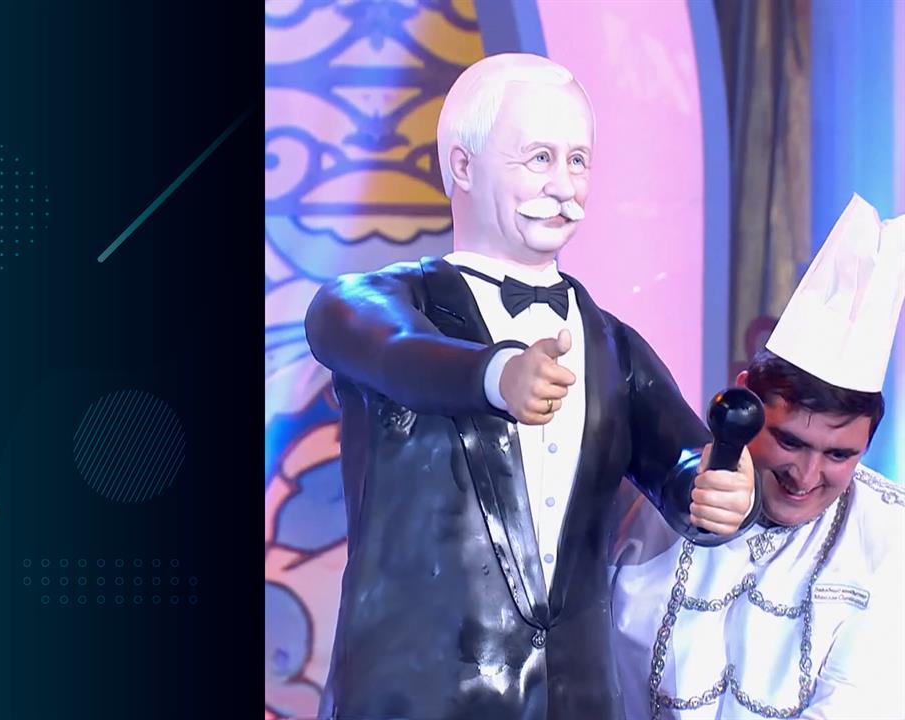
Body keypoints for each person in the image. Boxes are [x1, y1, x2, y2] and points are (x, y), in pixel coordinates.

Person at [304, 53, 758, 720]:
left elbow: (687, 467)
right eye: (539, 158)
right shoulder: (371, 303)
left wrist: (723, 490)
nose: (565, 186)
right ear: (463, 166)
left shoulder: (612, 344)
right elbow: (396, 352)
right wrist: (493, 374)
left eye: (578, 160)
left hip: (577, 698)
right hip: (414, 699)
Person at [610, 195, 905, 719]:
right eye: (790, 441)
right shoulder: (651, 498)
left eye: (839, 454)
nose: (805, 476)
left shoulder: (888, 539)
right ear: (743, 398)